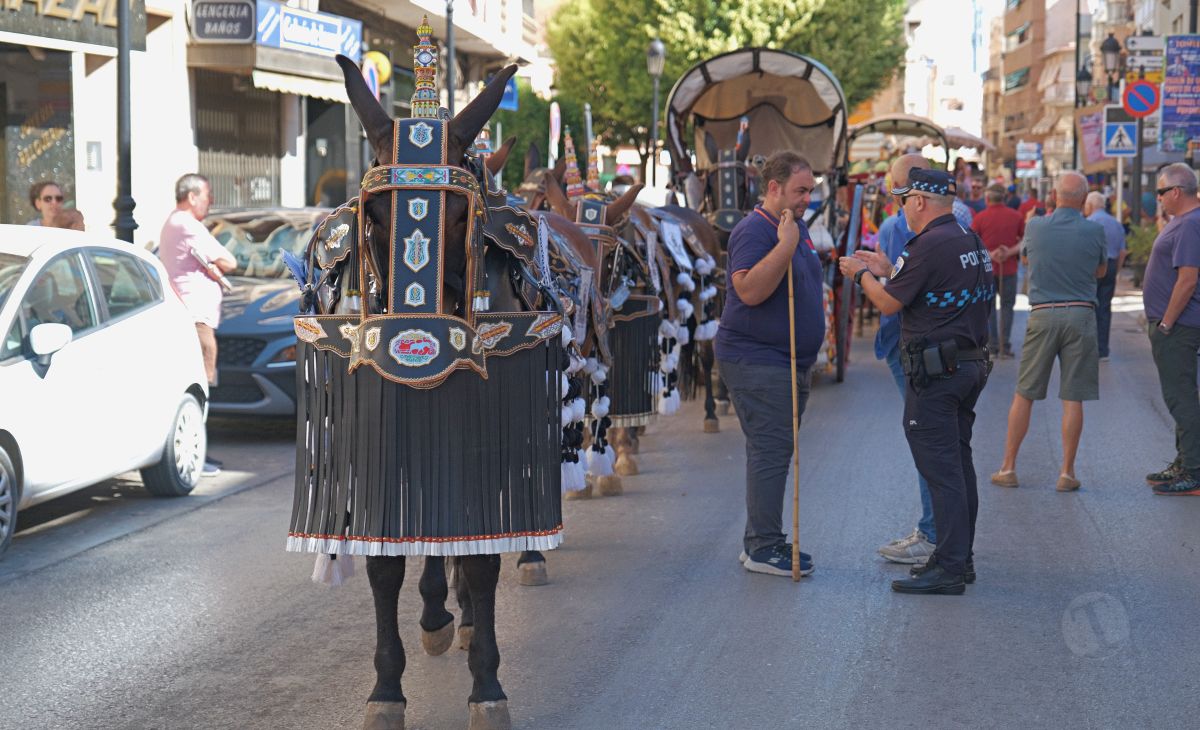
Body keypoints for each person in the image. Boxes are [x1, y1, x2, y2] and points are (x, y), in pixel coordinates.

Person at [840, 169, 993, 595]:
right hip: (968, 365)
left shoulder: (927, 245)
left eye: (904, 200)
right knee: (959, 468)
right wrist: (889, 268)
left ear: (921, 201)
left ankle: (948, 567)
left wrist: (860, 274)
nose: (902, 208)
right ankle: (960, 560)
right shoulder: (967, 239)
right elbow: (937, 291)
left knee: (942, 472)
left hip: (938, 374)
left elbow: (889, 303)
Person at [716, 151, 825, 578]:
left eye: (811, 191)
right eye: (800, 191)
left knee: (772, 449)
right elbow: (751, 291)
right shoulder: (755, 231)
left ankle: (761, 540)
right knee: (771, 449)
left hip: (787, 360)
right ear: (774, 188)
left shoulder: (793, 228)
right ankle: (763, 546)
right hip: (757, 360)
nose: (807, 199)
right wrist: (784, 248)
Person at [991, 172, 1106, 492]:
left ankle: (1008, 467)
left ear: (1054, 196)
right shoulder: (1095, 230)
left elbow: (1027, 257)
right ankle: (1067, 473)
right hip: (1081, 314)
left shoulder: (1035, 226)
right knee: (1073, 397)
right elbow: (1100, 271)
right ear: (1084, 200)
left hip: (1042, 315)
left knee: (1025, 393)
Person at [872, 154, 937, 566]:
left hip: (908, 344)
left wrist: (866, 276)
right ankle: (940, 531)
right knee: (942, 440)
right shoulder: (958, 222)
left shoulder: (898, 227)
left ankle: (932, 533)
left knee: (925, 437)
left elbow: (893, 298)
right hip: (945, 347)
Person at [158, 173, 236, 477]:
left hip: (194, 315)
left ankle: (197, 451)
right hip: (196, 317)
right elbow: (229, 261)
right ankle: (194, 454)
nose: (210, 200)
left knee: (198, 387)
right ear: (191, 196)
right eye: (207, 194)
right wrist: (216, 267)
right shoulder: (187, 224)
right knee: (199, 387)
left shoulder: (175, 223)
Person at [1143, 163, 1200, 495]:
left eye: (1160, 192)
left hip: (1178, 327)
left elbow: (1188, 278)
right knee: (1180, 396)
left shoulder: (1190, 224)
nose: (1158, 199)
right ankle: (1184, 463)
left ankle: (1193, 470)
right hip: (1175, 325)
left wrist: (1166, 322)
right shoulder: (1183, 222)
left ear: (1176, 192)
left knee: (1181, 399)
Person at [972, 184, 1025, 358]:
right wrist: (1009, 252)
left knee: (989, 308)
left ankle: (993, 346)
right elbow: (1025, 240)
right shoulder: (1016, 216)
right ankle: (1005, 345)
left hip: (987, 270)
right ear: (1005, 198)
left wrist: (990, 254)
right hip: (1008, 268)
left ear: (987, 199)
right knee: (1007, 307)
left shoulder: (980, 218)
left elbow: (972, 243)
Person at [1084, 191, 1127, 360]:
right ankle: (1103, 350)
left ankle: (1090, 348)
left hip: (1092, 268)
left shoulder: (1088, 223)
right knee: (1105, 307)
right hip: (1111, 266)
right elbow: (1123, 252)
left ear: (1091, 205)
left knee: (1089, 307)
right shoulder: (1116, 224)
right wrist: (1116, 270)